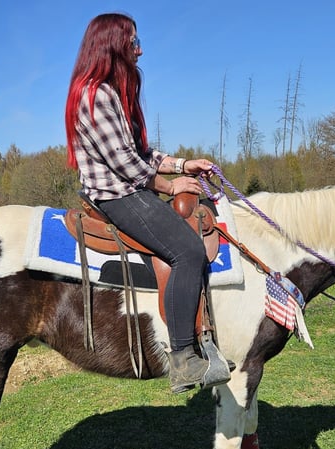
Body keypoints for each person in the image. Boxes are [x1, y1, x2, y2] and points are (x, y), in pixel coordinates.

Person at [65, 13, 229, 393]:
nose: (140, 49)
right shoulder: (95, 95)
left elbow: (140, 153)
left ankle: (204, 342)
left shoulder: (112, 92)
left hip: (130, 188)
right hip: (117, 196)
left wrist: (183, 165)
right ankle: (183, 358)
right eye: (134, 42)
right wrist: (170, 186)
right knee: (188, 252)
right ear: (113, 45)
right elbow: (125, 164)